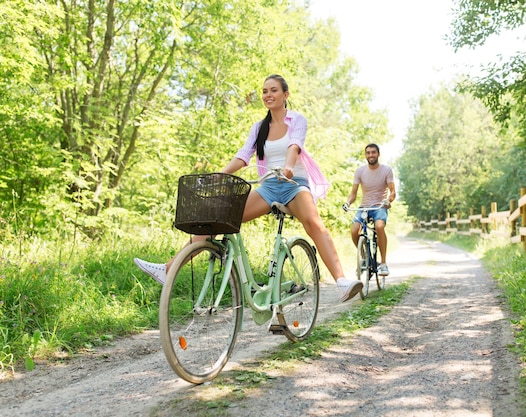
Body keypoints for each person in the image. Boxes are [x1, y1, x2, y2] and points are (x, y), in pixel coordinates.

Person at [134, 74, 363, 302]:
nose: (268, 95)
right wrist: (218, 176)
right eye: (264, 91)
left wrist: (288, 167)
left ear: (285, 94)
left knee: (314, 223)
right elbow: (243, 157)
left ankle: (341, 280)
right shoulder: (259, 128)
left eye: (273, 90)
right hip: (269, 187)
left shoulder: (297, 120)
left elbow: (295, 145)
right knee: (219, 218)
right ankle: (168, 269)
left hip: (294, 184)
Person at [343, 143, 396, 276]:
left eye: (373, 152)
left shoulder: (386, 170)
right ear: (365, 155)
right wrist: (348, 203)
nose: (371, 155)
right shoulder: (360, 171)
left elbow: (393, 192)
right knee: (354, 230)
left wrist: (388, 201)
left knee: (379, 226)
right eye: (368, 153)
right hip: (364, 207)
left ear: (378, 154)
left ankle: (383, 264)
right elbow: (353, 194)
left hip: (380, 206)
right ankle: (365, 257)